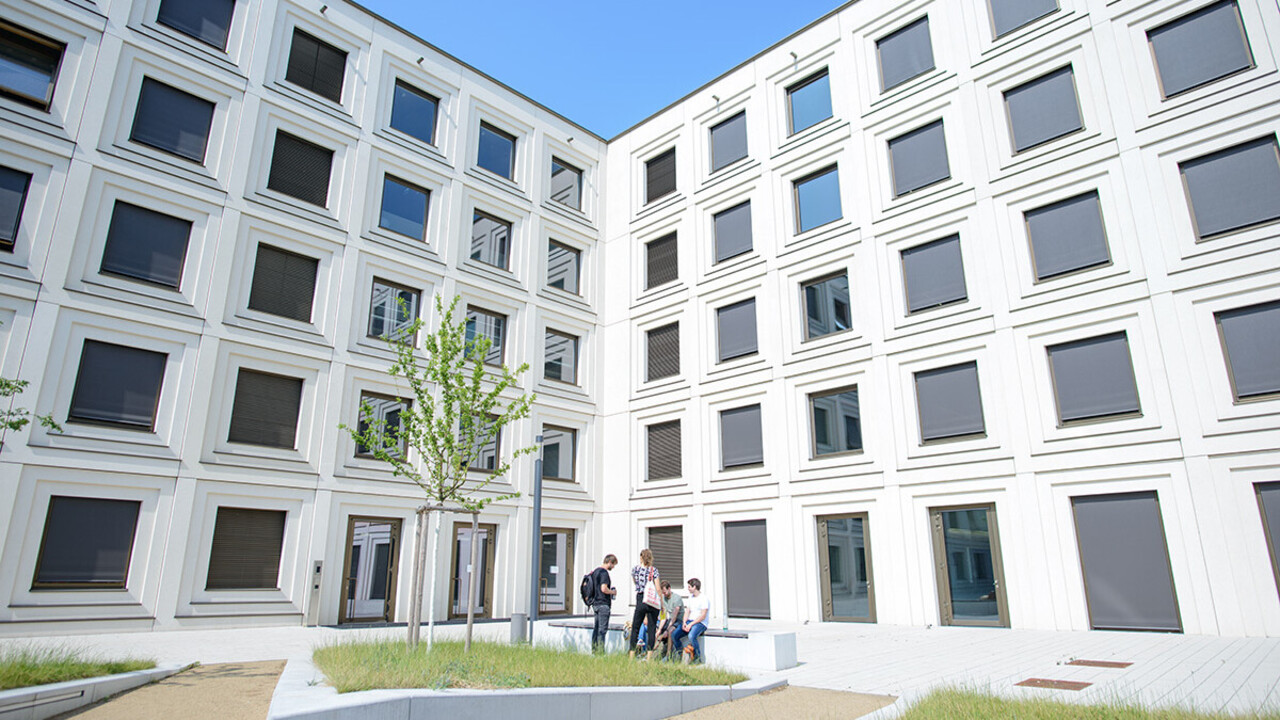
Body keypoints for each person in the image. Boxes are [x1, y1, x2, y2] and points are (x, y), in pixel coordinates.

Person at [627, 549, 661, 658]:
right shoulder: (653, 570)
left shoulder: (635, 570)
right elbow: (658, 588)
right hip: (652, 600)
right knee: (651, 628)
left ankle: (631, 655)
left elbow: (635, 582)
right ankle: (649, 656)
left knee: (636, 627)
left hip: (641, 598)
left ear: (640, 557)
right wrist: (662, 604)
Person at [671, 578, 709, 664]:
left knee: (691, 636)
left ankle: (697, 658)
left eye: (689, 587)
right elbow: (687, 611)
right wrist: (684, 622)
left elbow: (703, 615)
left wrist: (691, 624)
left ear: (694, 587)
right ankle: (680, 654)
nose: (687, 588)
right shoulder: (690, 598)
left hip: (700, 623)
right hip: (689, 622)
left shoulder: (704, 598)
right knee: (674, 635)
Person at [589, 554, 617, 652]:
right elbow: (604, 589)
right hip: (603, 604)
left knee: (596, 629)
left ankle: (594, 650)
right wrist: (613, 592)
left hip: (595, 604)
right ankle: (600, 653)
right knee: (602, 630)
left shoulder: (595, 572)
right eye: (613, 565)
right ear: (609, 562)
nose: (613, 567)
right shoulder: (604, 573)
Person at [655, 580, 684, 659]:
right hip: (670, 619)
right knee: (657, 630)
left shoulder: (676, 598)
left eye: (664, 592)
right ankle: (652, 652)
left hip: (679, 620)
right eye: (662, 592)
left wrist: (666, 631)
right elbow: (663, 617)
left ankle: (668, 655)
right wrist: (659, 630)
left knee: (670, 631)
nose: (663, 594)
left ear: (669, 589)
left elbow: (674, 617)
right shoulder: (664, 599)